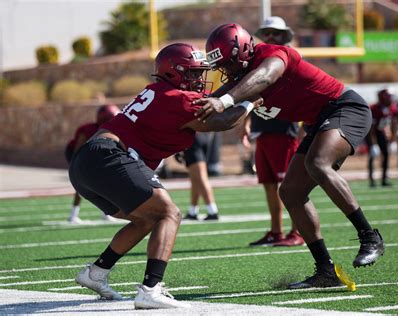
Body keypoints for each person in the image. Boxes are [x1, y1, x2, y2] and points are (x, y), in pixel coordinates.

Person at [69, 43, 262, 309]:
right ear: (174, 73)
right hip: (108, 156)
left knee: (147, 218)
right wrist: (252, 101)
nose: (198, 79)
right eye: (193, 73)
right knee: (169, 213)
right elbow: (221, 121)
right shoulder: (176, 97)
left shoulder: (156, 91)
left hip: (86, 163)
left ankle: (95, 273)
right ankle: (150, 289)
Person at [195, 23, 384, 289]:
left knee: (317, 163)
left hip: (345, 108)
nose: (227, 71)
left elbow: (265, 77)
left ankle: (369, 235)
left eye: (230, 63)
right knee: (291, 192)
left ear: (246, 50)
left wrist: (224, 100)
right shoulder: (240, 82)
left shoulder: (272, 54)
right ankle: (326, 272)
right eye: (223, 66)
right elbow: (221, 117)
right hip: (318, 121)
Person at [245, 16, 304, 247]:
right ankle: (276, 232)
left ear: (284, 36)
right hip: (263, 131)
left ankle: (298, 231)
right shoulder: (261, 61)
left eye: (275, 33)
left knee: (289, 186)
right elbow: (253, 92)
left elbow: (302, 94)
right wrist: (246, 123)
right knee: (269, 185)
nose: (270, 37)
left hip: (285, 132)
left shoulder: (290, 61)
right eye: (267, 33)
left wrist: (303, 127)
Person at [65, 104, 120, 223]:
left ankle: (106, 213)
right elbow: (78, 150)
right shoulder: (88, 130)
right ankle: (73, 215)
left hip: (95, 156)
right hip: (78, 155)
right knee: (81, 183)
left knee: (105, 183)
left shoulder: (112, 131)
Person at [182, 132, 220, 221]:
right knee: (195, 178)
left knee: (201, 177)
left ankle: (212, 211)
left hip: (193, 137)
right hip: (204, 135)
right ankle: (193, 211)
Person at [367, 88, 397, 187]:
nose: (390, 99)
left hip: (384, 135)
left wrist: (393, 140)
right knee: (373, 156)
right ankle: (372, 180)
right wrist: (373, 144)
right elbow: (371, 128)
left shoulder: (391, 108)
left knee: (386, 156)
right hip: (373, 135)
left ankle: (384, 179)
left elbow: (393, 124)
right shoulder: (374, 108)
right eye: (388, 97)